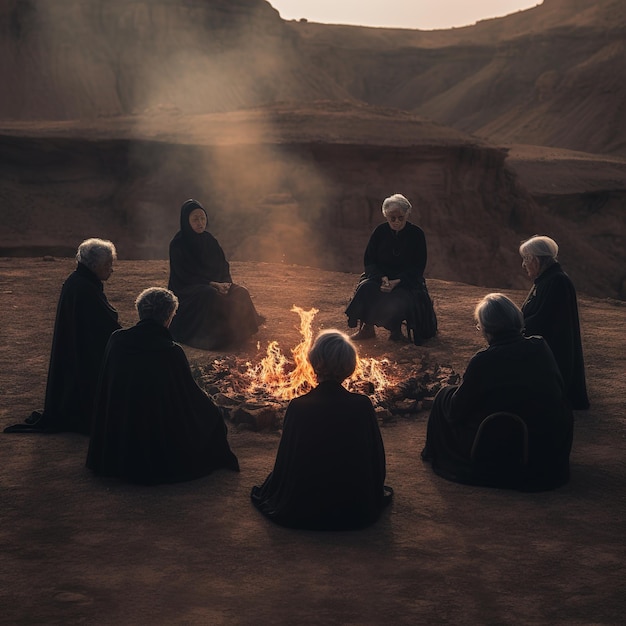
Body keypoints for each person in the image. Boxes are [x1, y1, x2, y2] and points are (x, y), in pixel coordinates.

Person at [87, 287, 239, 485]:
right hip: (156, 432)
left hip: (121, 430)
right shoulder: (171, 351)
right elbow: (188, 397)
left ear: (139, 311)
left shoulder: (116, 340)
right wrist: (212, 407)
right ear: (168, 316)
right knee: (211, 415)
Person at [422, 293, 573, 491]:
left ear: (486, 329)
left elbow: (456, 411)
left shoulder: (484, 360)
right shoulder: (540, 346)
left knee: (444, 396)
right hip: (544, 443)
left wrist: (447, 395)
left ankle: (431, 452)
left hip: (501, 442)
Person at [251, 330, 392, 530]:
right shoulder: (362, 406)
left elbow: (287, 466)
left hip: (304, 508)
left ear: (314, 361)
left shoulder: (298, 407)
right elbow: (375, 460)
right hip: (355, 508)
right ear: (349, 366)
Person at [5, 238, 121, 434]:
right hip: (84, 354)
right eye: (107, 264)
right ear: (94, 265)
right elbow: (102, 323)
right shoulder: (83, 287)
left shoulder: (80, 281)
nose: (111, 269)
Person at [167, 198, 263, 350]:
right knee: (209, 295)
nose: (200, 223)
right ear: (186, 221)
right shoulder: (178, 244)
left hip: (217, 284)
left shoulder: (210, 240)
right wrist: (212, 284)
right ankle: (217, 339)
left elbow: (222, 266)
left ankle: (242, 331)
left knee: (240, 292)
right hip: (188, 289)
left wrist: (225, 284)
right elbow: (183, 274)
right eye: (195, 219)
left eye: (203, 218)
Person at [345, 193, 436, 344]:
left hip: (406, 280)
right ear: (386, 216)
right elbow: (369, 260)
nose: (396, 222)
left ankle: (396, 331)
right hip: (381, 277)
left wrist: (397, 281)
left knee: (400, 297)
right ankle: (367, 329)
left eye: (400, 217)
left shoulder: (417, 235)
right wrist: (382, 278)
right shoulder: (380, 232)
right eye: (392, 218)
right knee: (366, 288)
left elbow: (419, 266)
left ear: (407, 214)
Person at [519, 235, 590, 410]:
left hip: (552, 351)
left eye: (526, 259)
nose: (524, 264)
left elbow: (544, 319)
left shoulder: (557, 281)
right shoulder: (546, 279)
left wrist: (516, 327)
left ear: (537, 259)